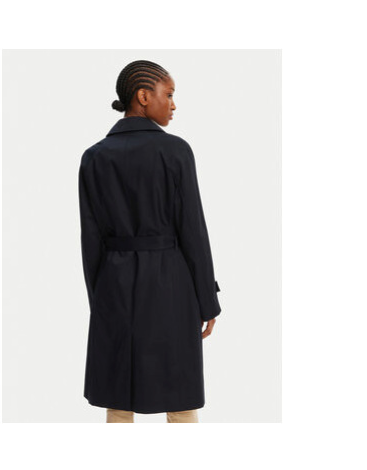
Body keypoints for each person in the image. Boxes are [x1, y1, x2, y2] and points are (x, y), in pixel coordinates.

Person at [78, 60, 222, 423]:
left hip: (114, 284)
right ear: (143, 97)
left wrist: (99, 300)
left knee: (118, 400)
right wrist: (207, 299)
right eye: (168, 94)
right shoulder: (175, 151)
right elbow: (193, 229)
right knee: (181, 398)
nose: (173, 104)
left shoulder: (94, 157)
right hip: (171, 283)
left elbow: (90, 238)